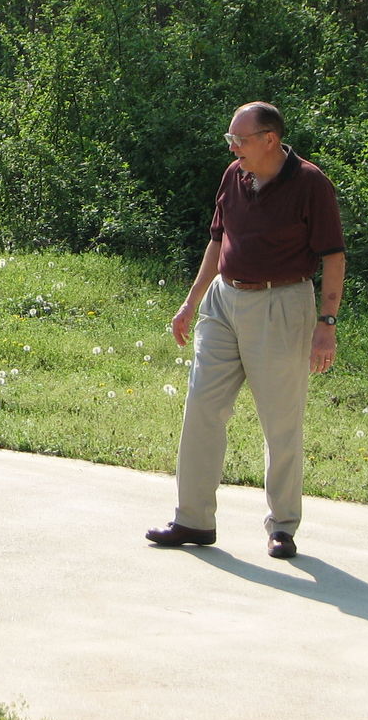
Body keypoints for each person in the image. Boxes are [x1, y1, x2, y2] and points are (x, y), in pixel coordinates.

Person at [147, 102, 345, 559]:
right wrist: (191, 301)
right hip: (223, 301)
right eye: (230, 139)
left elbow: (334, 256)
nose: (232, 146)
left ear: (270, 139)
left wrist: (326, 325)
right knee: (202, 407)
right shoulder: (233, 175)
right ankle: (193, 519)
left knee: (280, 421)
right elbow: (218, 241)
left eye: (240, 139)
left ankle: (283, 526)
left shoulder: (310, 183)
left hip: (282, 304)